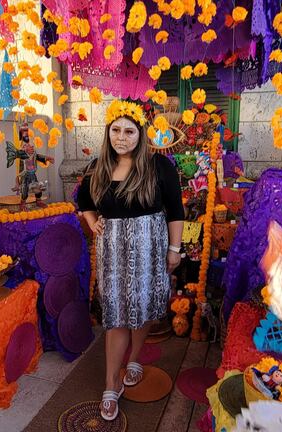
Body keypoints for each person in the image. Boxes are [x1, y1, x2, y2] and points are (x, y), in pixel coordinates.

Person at [77, 100, 184, 421]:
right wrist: (91, 219)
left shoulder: (158, 166)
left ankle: (134, 358)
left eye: (129, 131)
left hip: (151, 248)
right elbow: (83, 199)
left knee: (145, 306)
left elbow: (176, 211)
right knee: (117, 315)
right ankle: (111, 383)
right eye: (115, 130)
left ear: (141, 133)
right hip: (113, 252)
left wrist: (174, 250)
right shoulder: (98, 166)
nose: (121, 137)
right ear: (107, 132)